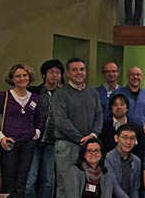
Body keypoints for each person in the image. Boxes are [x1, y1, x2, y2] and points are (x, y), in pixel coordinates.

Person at [52, 58, 103, 198]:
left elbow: (99, 116)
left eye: (82, 69)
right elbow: (61, 121)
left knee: (87, 186)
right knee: (65, 186)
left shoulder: (93, 93)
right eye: (75, 70)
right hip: (67, 146)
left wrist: (93, 135)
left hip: (90, 146)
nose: (79, 72)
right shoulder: (60, 94)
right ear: (68, 73)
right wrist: (81, 139)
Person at [0, 64, 42, 197]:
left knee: (22, 183)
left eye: (24, 75)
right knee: (8, 183)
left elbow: (39, 120)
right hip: (9, 143)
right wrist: (1, 137)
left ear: (29, 77)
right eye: (18, 76)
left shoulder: (35, 99)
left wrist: (36, 133)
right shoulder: (3, 96)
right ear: (12, 79)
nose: (22, 78)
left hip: (28, 143)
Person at [26, 59, 63, 198]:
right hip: (33, 141)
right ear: (44, 74)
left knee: (48, 180)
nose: (55, 75)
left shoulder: (63, 94)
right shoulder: (34, 92)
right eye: (51, 72)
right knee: (30, 179)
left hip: (53, 142)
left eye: (58, 73)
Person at [98, 94, 145, 159]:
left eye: (122, 104)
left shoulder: (137, 128)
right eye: (115, 105)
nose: (119, 107)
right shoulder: (104, 128)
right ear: (111, 108)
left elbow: (142, 150)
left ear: (127, 108)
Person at [104, 124, 142, 198]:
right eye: (125, 138)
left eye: (132, 138)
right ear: (116, 138)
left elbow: (135, 189)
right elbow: (114, 186)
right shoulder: (109, 158)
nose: (128, 142)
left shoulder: (137, 161)